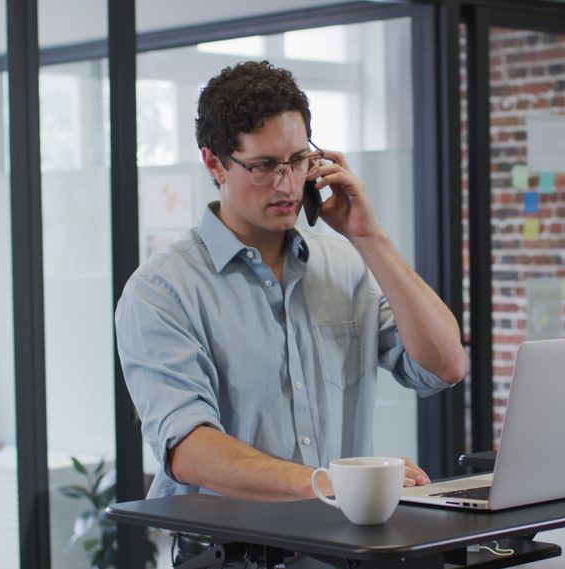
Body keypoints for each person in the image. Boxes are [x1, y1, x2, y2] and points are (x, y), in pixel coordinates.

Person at [115, 61, 467, 503]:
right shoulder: (163, 290)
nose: (287, 185)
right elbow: (188, 448)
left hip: (343, 544)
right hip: (233, 554)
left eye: (298, 161)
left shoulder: (344, 264)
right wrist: (329, 484)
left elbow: (445, 366)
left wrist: (369, 237)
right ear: (215, 162)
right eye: (264, 166)